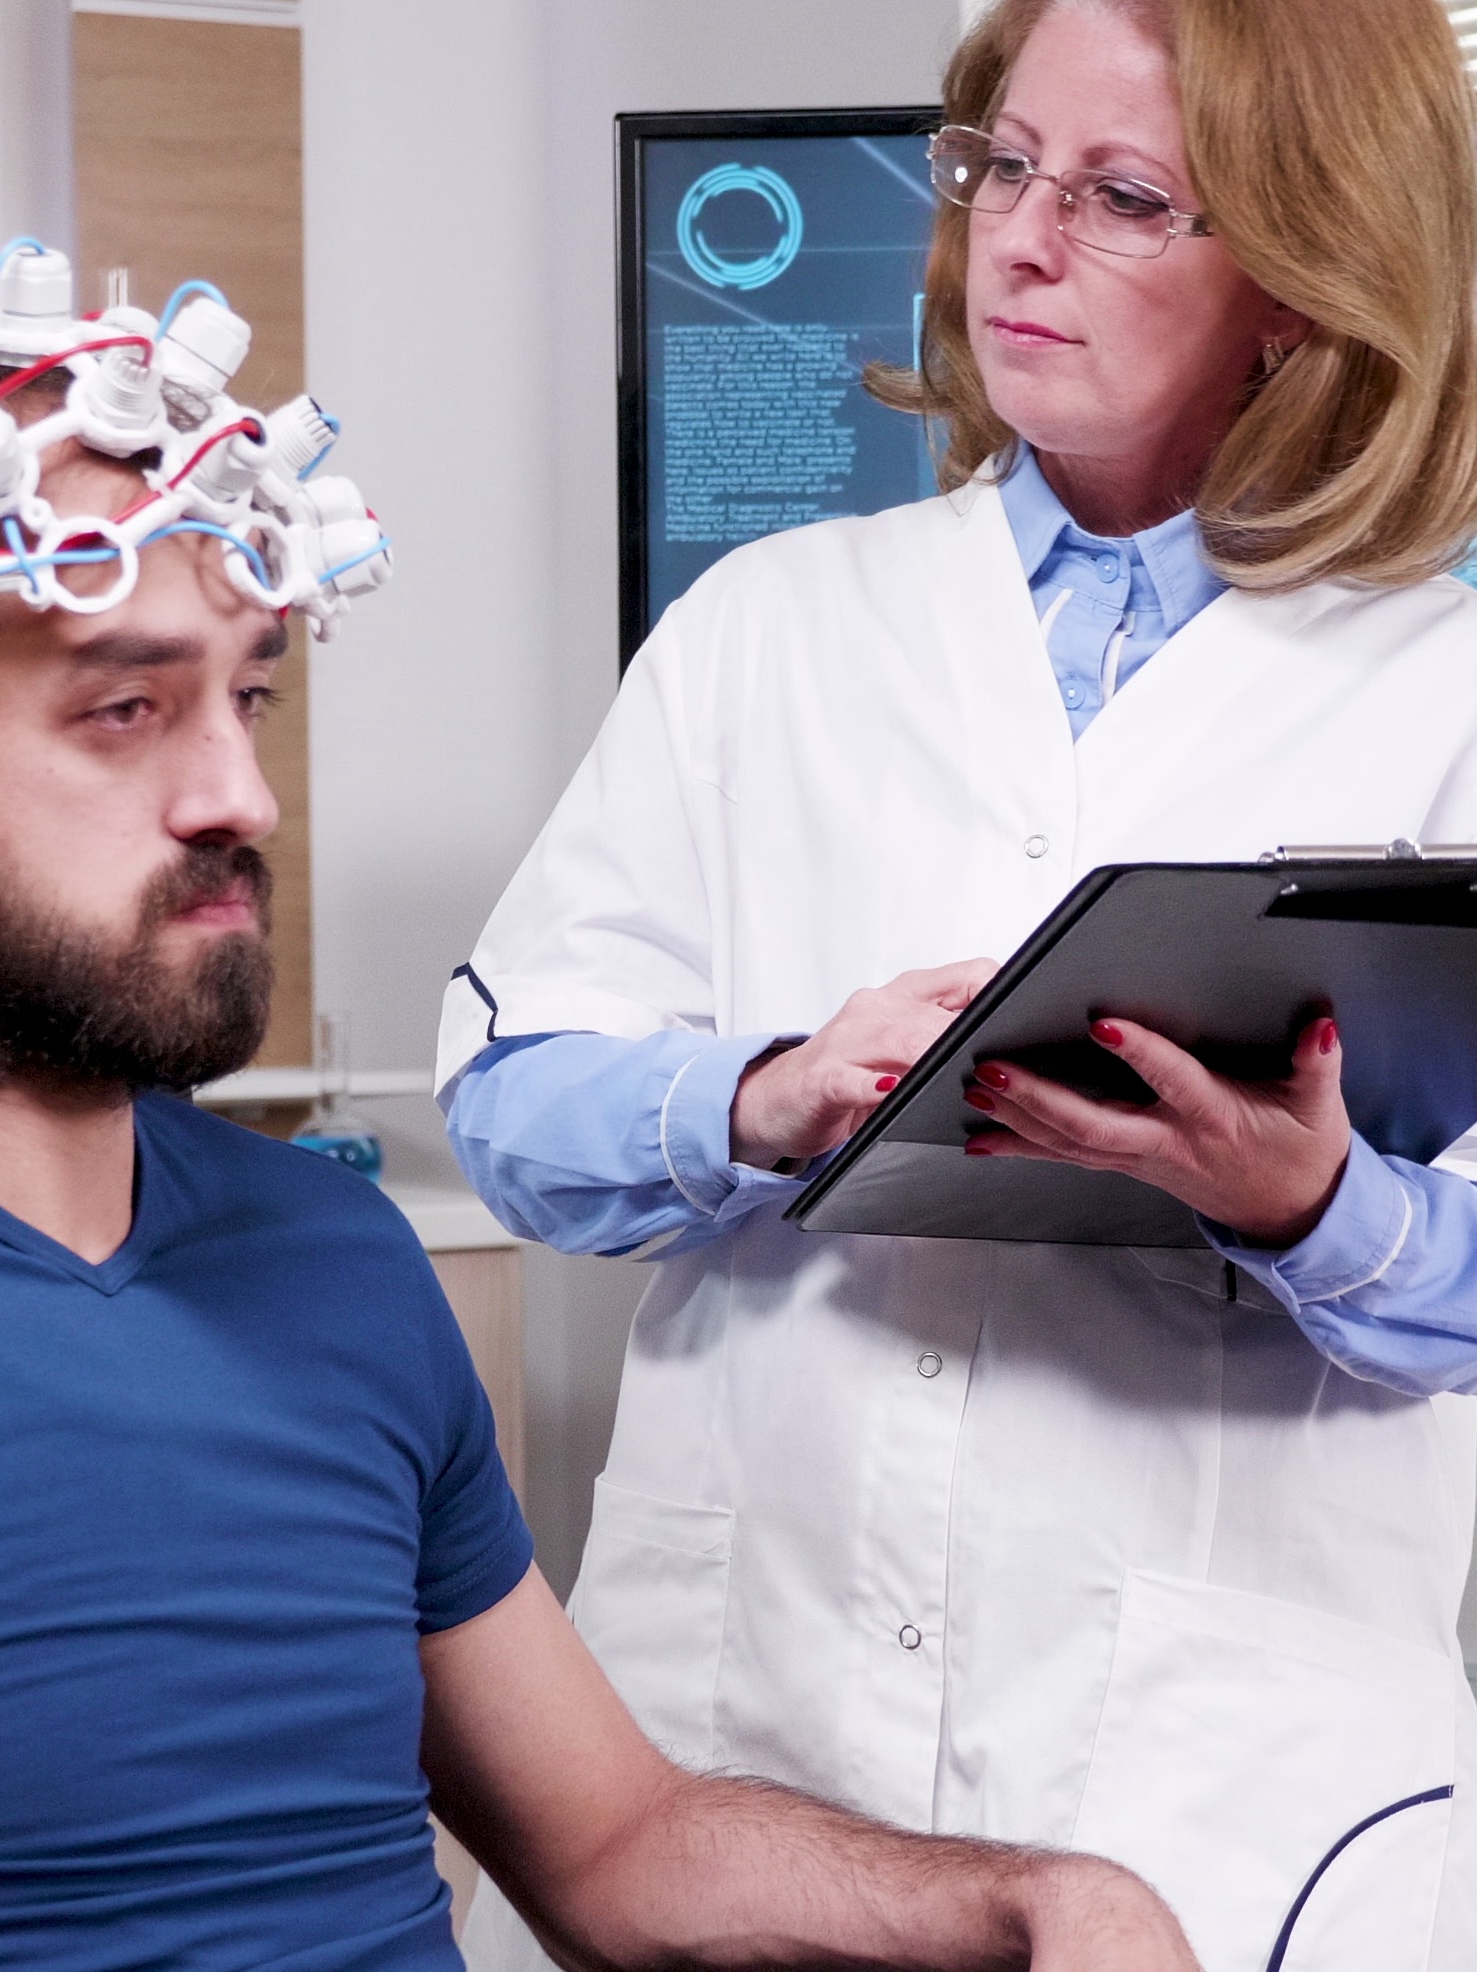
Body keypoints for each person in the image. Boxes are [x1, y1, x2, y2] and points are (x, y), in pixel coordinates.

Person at [0, 256, 1197, 1972]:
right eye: (123, 709)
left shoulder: (329, 1255)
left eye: (247, 696)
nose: (239, 793)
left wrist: (1041, 1898)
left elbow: (621, 1848)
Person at [440, 3, 1477, 1969]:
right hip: (743, 1733)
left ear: (1296, 277)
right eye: (1000, 167)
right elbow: (507, 1100)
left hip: (1221, 1787)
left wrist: (1314, 1206)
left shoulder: (1441, 699)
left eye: (1120, 199)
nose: (1015, 238)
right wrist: (756, 1092)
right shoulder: (767, 629)